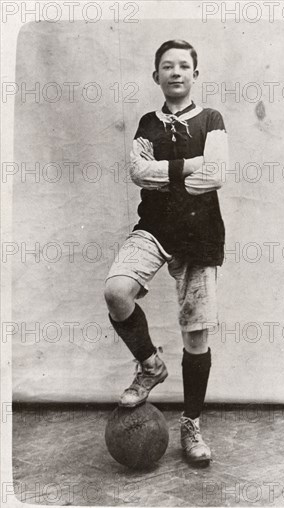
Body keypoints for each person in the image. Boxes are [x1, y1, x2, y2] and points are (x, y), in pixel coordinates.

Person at [104, 39, 228, 465]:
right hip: (154, 227)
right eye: (167, 66)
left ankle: (191, 424)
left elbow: (215, 176)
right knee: (118, 292)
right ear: (155, 75)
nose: (175, 72)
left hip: (200, 233)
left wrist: (168, 175)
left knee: (196, 333)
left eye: (184, 66)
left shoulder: (211, 119)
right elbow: (139, 173)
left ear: (196, 73)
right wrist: (188, 166)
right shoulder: (146, 123)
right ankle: (150, 365)